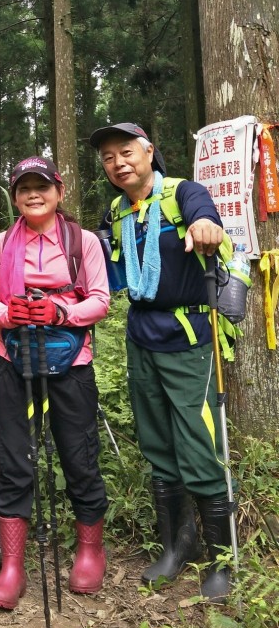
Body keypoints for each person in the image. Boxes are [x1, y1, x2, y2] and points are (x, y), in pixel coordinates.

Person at [90, 121, 233, 600]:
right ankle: (177, 546)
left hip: (189, 335)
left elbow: (203, 213)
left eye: (126, 151)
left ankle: (221, 560)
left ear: (149, 151)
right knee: (157, 443)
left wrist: (205, 225)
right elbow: (110, 271)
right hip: (141, 336)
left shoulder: (182, 192)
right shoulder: (117, 211)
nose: (118, 163)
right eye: (109, 158)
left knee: (198, 443)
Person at [0, 157, 110, 609]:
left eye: (42, 186)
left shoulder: (82, 241)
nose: (33, 195)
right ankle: (13, 567)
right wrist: (7, 314)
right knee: (13, 456)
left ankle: (91, 550)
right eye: (24, 188)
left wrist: (61, 313)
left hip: (71, 359)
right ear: (14, 195)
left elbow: (100, 299)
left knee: (78, 452)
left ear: (59, 189)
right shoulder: (0, 243)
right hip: (12, 358)